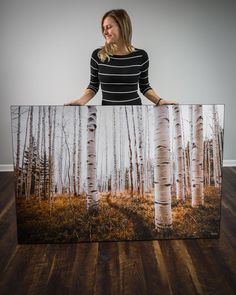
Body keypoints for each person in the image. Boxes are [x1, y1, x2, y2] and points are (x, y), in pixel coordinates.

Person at [64, 9, 176, 106]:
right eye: (103, 28)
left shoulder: (141, 56)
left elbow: (144, 86)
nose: (105, 32)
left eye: (109, 27)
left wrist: (160, 101)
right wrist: (80, 101)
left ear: (122, 27)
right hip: (107, 114)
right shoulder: (97, 56)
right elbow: (93, 86)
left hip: (135, 113)